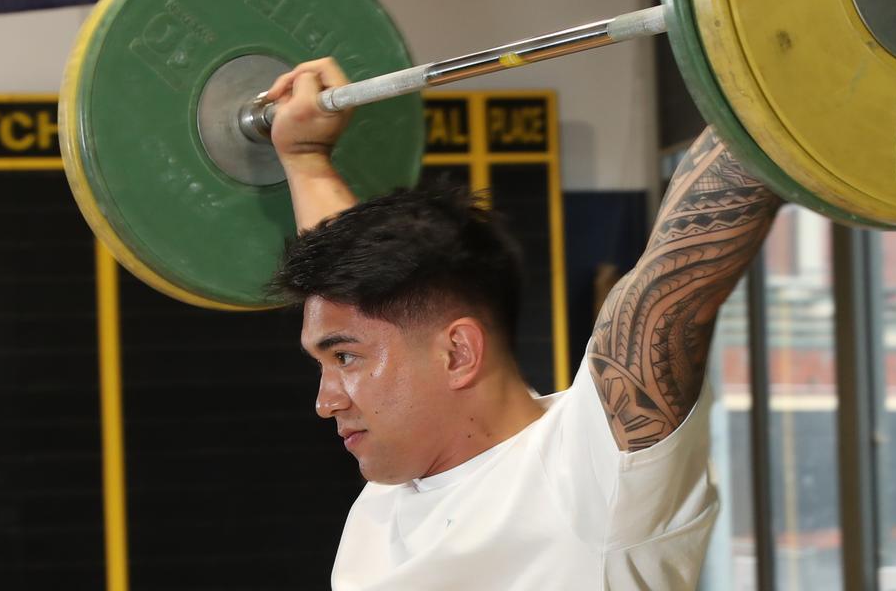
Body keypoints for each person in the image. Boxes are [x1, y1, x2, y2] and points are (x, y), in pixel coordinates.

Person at [263, 59, 781, 590]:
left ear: (458, 353)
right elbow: (365, 302)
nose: (326, 401)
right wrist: (305, 160)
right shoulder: (393, 489)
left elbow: (670, 287)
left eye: (345, 359)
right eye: (326, 362)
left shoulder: (587, 475)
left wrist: (778, 65)